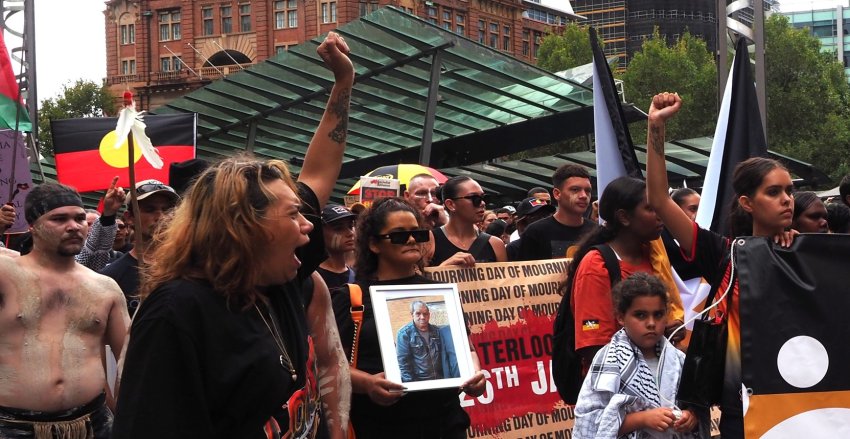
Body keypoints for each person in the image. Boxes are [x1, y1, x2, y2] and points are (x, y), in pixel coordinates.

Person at [112, 31, 354, 439]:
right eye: (295, 214)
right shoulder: (177, 312)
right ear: (245, 227)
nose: (310, 225)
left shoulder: (279, 277)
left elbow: (318, 172)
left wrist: (344, 83)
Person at [644, 92, 797, 438]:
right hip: (741, 406)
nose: (787, 199)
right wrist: (655, 127)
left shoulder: (808, 254)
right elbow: (658, 199)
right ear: (747, 202)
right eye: (773, 192)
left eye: (789, 190)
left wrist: (802, 249)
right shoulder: (725, 254)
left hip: (803, 401)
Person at [331, 197, 485, 438]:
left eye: (418, 234)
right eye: (400, 235)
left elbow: (466, 348)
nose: (412, 240)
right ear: (374, 244)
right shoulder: (352, 298)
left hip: (445, 424)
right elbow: (327, 363)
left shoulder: (440, 292)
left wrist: (474, 373)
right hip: (379, 427)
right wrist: (367, 384)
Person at [0, 183, 131, 437]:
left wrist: (129, 416)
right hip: (12, 427)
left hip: (92, 423)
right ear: (32, 226)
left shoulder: (105, 288)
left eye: (80, 218)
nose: (73, 226)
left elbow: (131, 361)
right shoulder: (6, 275)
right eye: (59, 219)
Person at [566, 176, 685, 370]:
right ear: (624, 217)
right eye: (650, 208)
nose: (660, 214)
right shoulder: (596, 265)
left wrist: (668, 329)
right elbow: (594, 346)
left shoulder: (655, 256)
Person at [573, 273, 699, 439]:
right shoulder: (609, 360)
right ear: (620, 317)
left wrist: (690, 418)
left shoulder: (678, 359)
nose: (651, 323)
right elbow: (589, 425)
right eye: (640, 315)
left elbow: (694, 406)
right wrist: (641, 419)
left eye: (658, 315)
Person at [100, 179, 179, 317]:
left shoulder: (190, 269)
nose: (161, 217)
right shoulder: (110, 278)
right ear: (129, 218)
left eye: (167, 209)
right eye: (150, 209)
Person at [517, 164, 599, 260]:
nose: (584, 196)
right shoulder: (535, 233)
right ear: (557, 194)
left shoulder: (597, 232)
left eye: (588, 190)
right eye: (575, 190)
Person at [428, 176, 507, 266]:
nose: (482, 203)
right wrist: (443, 268)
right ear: (451, 204)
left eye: (484, 198)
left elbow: (506, 280)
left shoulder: (495, 245)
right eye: (474, 198)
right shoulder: (429, 241)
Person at [396, 301, 459, 382]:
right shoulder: (404, 334)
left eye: (425, 314)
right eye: (418, 313)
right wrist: (411, 387)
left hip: (441, 380)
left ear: (429, 315)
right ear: (412, 314)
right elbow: (403, 364)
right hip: (421, 383)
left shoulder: (437, 331)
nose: (422, 317)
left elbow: (446, 357)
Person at [76, 176, 127, 271]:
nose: (93, 228)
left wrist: (109, 213)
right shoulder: (67, 256)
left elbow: (101, 245)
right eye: (89, 224)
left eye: (96, 224)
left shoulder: (101, 257)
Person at [317, 203, 357, 294]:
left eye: (350, 226)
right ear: (319, 232)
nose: (350, 233)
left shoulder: (360, 276)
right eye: (338, 228)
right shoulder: (310, 277)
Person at [506, 196, 556, 261]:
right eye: (537, 217)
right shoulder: (514, 248)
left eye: (547, 215)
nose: (544, 220)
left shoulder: (559, 243)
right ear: (522, 222)